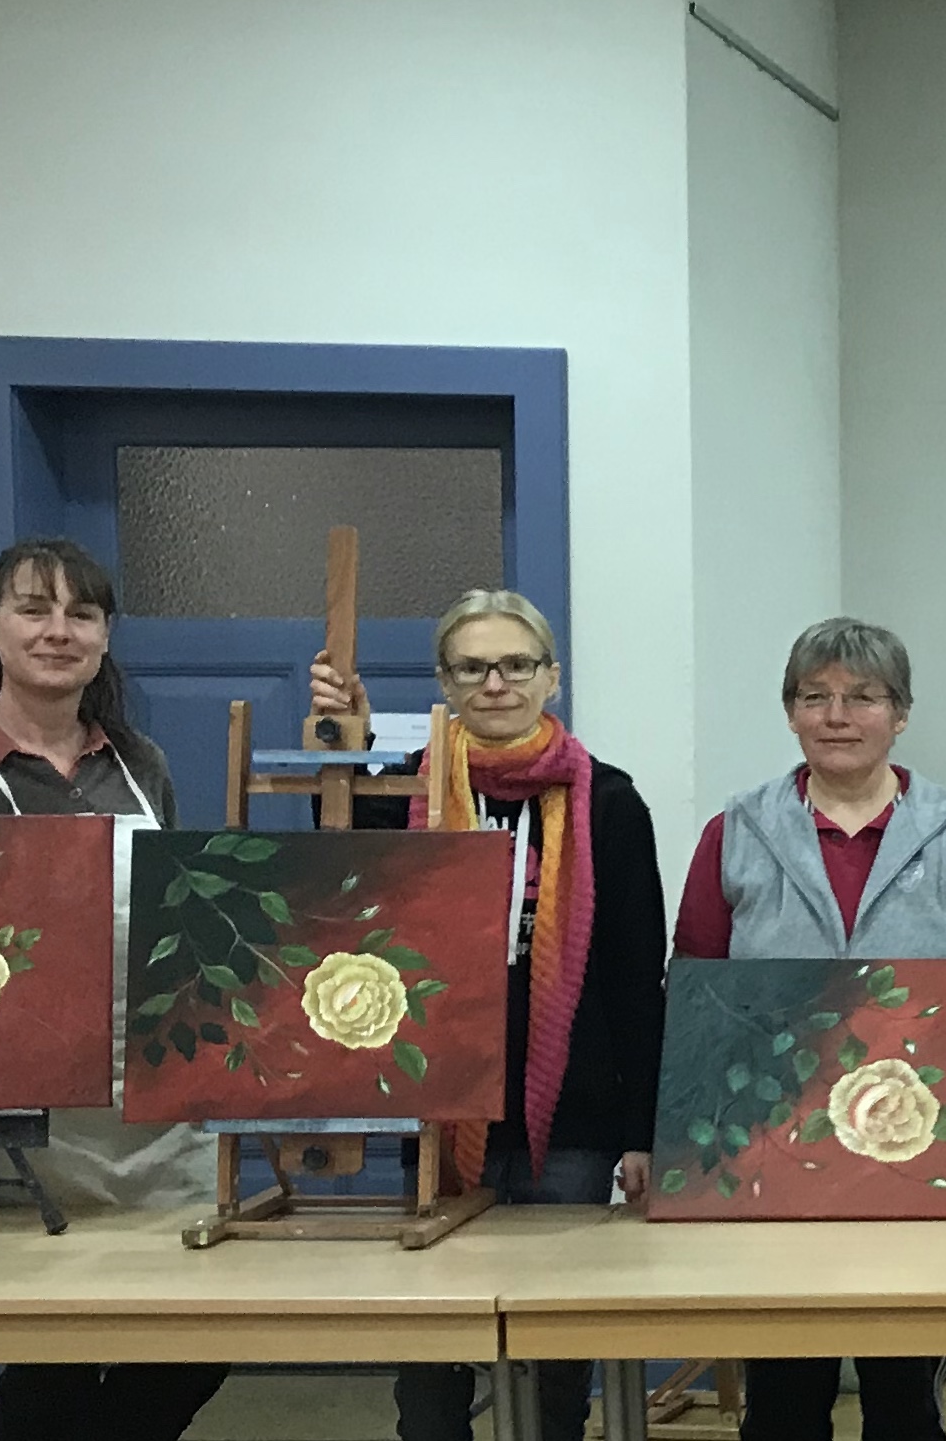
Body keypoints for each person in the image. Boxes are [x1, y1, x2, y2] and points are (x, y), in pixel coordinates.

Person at [0, 539, 222, 1441]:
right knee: (48, 1347)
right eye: (33, 608)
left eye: (81, 614)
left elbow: (173, 917)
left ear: (104, 636)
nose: (59, 630)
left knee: (200, 1330)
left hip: (149, 1104)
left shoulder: (139, 762)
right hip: (13, 1108)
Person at [673, 617, 946, 1441]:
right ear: (790, 712)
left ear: (901, 713)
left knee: (903, 1396)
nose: (838, 715)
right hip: (774, 1141)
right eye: (816, 696)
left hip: (913, 1141)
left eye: (862, 697)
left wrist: (913, 1009)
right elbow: (692, 988)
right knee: (783, 1400)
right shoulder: (735, 832)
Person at [306, 591, 669, 1441]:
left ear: (551, 676)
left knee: (553, 1361)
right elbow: (336, 875)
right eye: (472, 667)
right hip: (438, 1108)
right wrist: (346, 748)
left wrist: (644, 1131)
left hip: (571, 1122)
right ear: (445, 682)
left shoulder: (610, 803)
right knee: (431, 1367)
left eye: (515, 664)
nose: (495, 683)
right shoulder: (407, 792)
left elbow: (635, 979)